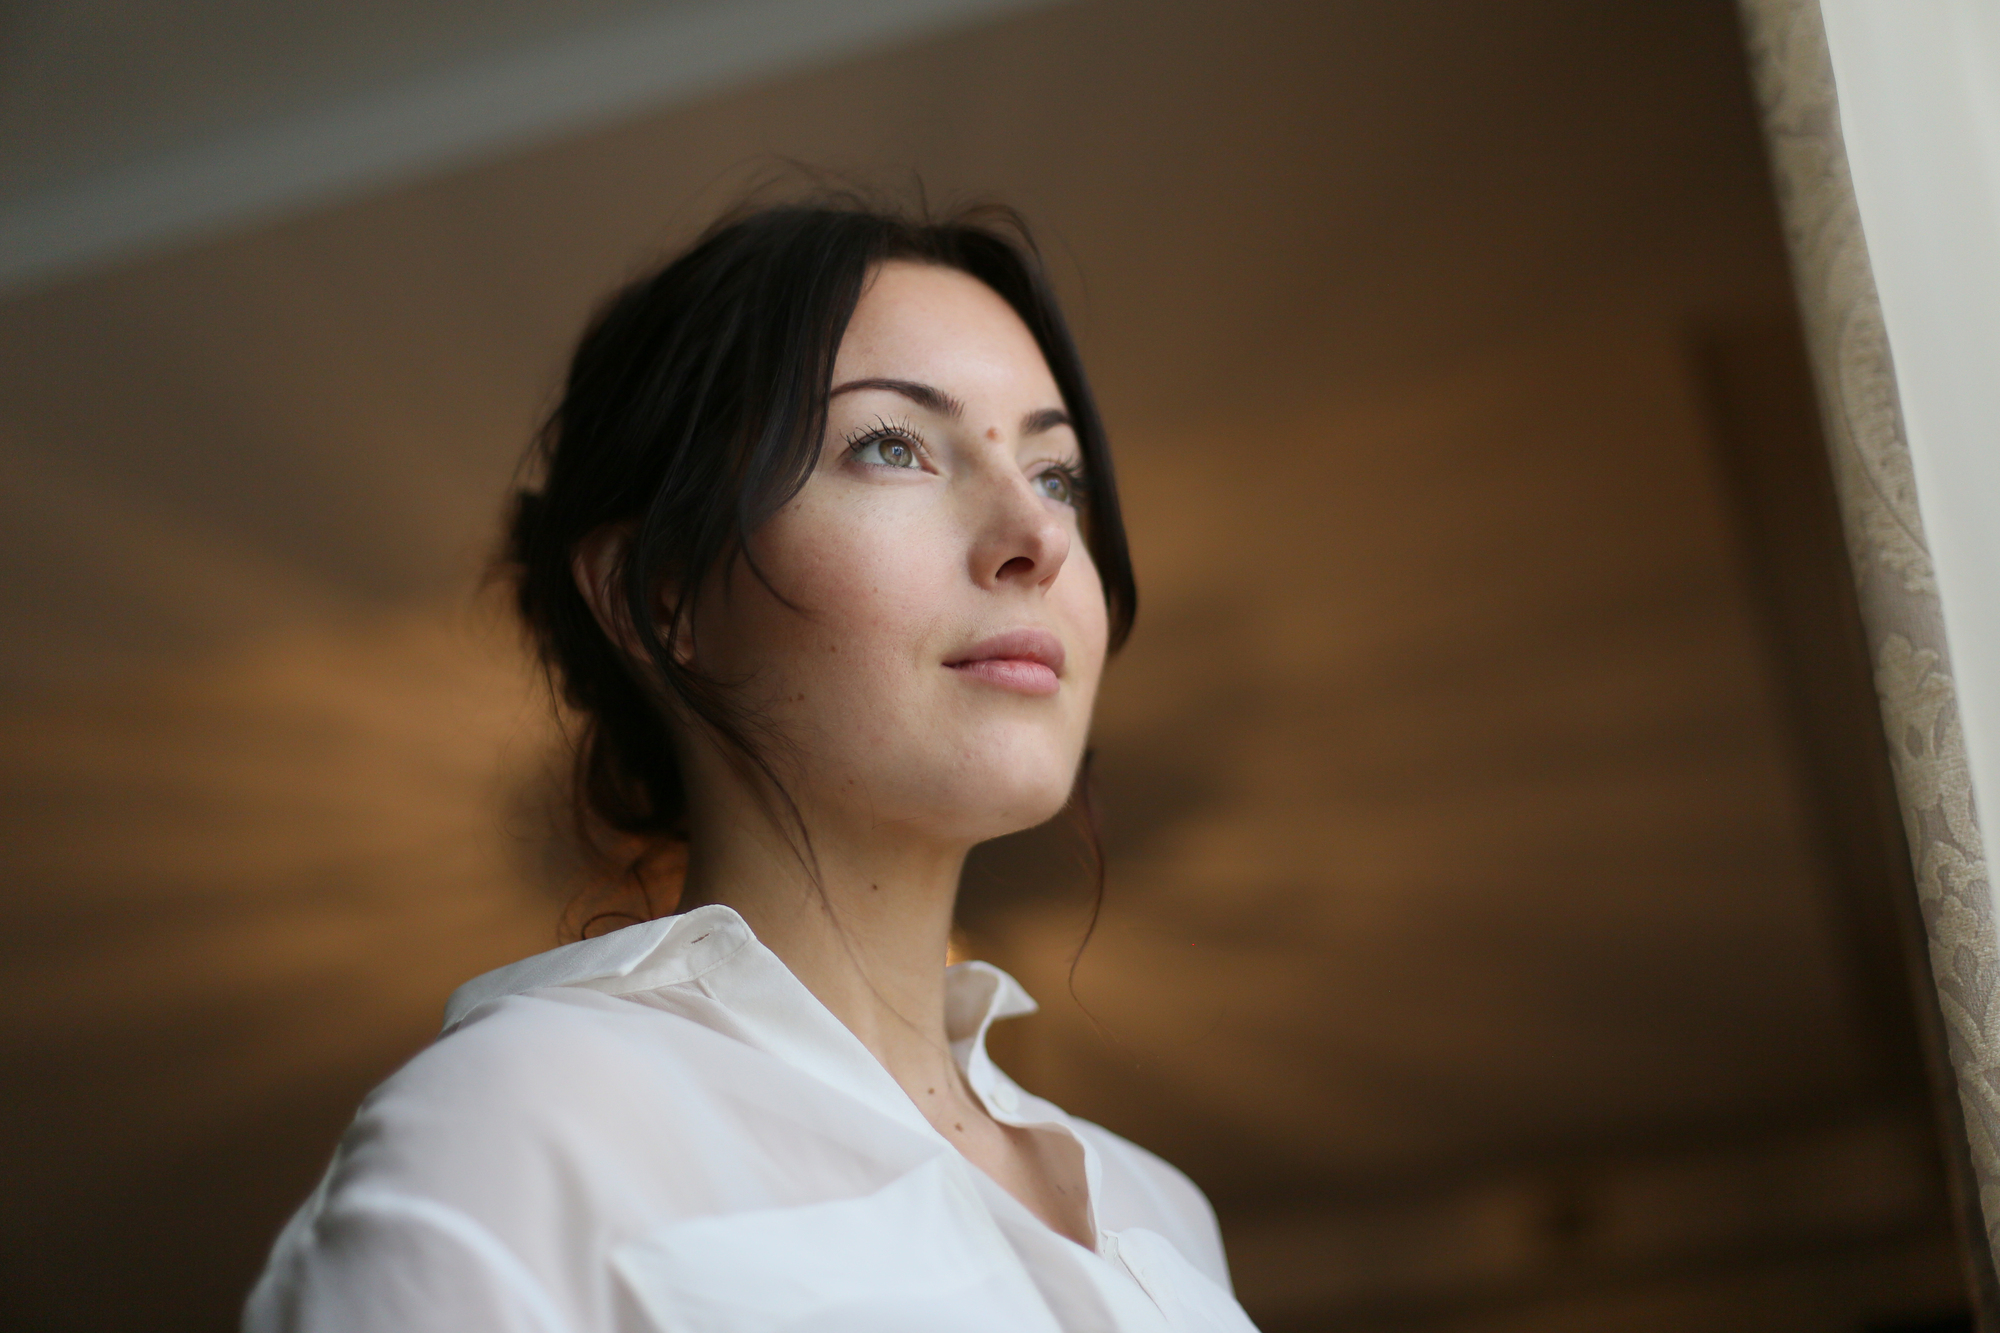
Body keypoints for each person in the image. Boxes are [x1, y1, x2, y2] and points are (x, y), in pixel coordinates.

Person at [244, 198, 1260, 1332]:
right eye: (891, 445)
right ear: (663, 594)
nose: (1039, 536)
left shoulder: (1161, 1218)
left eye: (1057, 471)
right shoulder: (523, 1122)